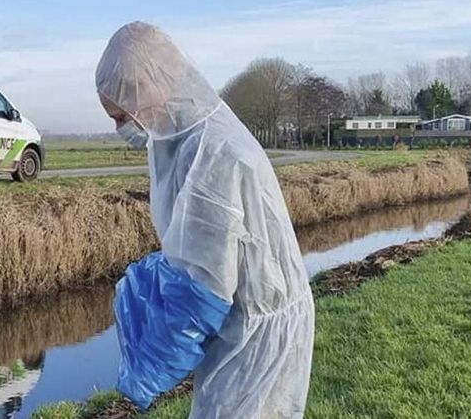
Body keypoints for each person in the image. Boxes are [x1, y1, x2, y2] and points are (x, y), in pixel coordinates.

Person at [95, 21, 314, 418]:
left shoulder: (215, 153)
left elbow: (206, 285)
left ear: (151, 88)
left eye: (122, 115)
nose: (120, 129)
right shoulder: (178, 137)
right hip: (242, 320)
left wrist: (152, 365)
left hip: (256, 333)